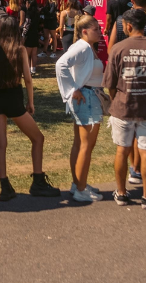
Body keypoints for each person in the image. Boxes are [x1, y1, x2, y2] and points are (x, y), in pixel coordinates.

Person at [0, 14, 60, 201]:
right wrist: (30, 102)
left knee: (1, 144)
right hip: (14, 98)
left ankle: (5, 186)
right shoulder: (20, 50)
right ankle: (38, 181)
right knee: (37, 138)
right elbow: (28, 79)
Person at [105, 8, 146, 209]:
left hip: (123, 108)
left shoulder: (117, 49)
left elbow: (110, 83)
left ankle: (121, 192)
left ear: (127, 26)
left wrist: (115, 100)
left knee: (122, 150)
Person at [55, 14, 104, 202]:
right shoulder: (83, 47)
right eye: (96, 29)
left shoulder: (84, 46)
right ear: (85, 31)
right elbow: (61, 64)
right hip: (87, 98)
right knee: (85, 145)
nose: (100, 32)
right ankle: (80, 189)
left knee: (80, 145)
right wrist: (72, 89)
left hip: (89, 96)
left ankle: (79, 183)